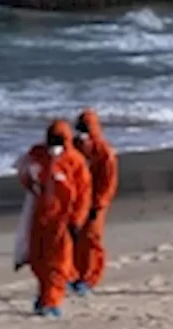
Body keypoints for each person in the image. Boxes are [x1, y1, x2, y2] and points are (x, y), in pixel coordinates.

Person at [17, 120, 92, 317]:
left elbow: (83, 194)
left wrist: (77, 220)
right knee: (38, 260)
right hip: (40, 217)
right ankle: (44, 296)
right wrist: (28, 181)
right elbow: (23, 170)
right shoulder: (38, 154)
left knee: (59, 263)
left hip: (63, 219)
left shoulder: (75, 162)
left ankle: (52, 302)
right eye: (51, 140)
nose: (54, 145)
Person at [70, 109, 118, 295]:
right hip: (75, 201)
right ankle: (76, 274)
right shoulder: (74, 147)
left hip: (94, 203)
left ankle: (89, 279)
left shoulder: (104, 152)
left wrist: (98, 204)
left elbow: (108, 182)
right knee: (73, 239)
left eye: (85, 128)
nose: (81, 132)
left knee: (91, 238)